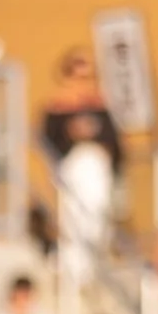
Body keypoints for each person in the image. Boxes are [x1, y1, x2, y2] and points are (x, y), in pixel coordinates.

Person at [41, 47, 123, 293]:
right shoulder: (56, 107)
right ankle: (73, 270)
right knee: (74, 219)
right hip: (73, 170)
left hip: (97, 170)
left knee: (97, 218)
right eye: (78, 76)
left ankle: (91, 269)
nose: (83, 83)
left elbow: (114, 144)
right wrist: (74, 137)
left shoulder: (100, 105)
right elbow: (49, 142)